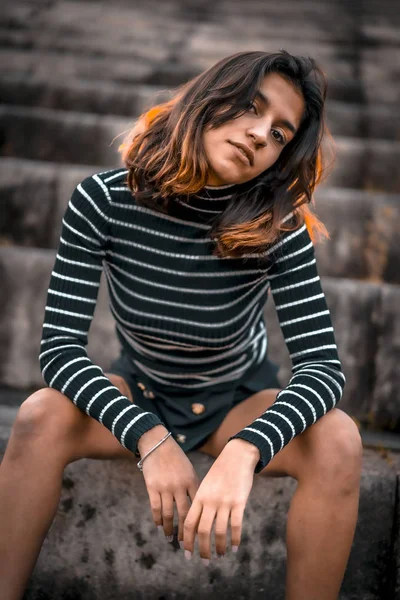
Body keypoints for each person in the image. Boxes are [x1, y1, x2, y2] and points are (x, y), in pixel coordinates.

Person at [0, 50, 363, 600]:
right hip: (140, 390)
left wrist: (247, 449)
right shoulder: (102, 199)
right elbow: (59, 352)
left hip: (234, 399)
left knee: (339, 438)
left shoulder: (279, 228)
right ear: (209, 96)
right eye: (251, 107)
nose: (261, 134)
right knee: (37, 415)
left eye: (281, 134)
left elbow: (323, 371)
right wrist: (149, 437)